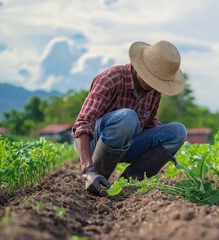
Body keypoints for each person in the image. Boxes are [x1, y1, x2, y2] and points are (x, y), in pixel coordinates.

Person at [72, 40, 187, 196]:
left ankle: (127, 185)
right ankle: (98, 178)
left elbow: (150, 122)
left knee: (178, 131)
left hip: (128, 144)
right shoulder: (111, 79)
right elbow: (83, 123)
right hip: (97, 143)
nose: (156, 86)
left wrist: (166, 149)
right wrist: (87, 169)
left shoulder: (153, 91)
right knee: (128, 117)